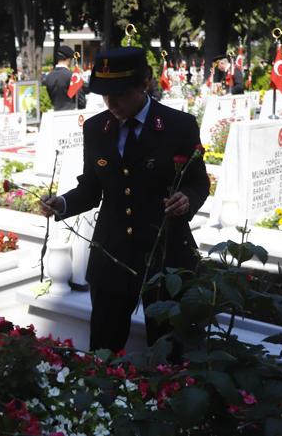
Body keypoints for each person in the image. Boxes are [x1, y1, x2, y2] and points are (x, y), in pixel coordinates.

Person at [39, 47, 209, 353]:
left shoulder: (178, 125)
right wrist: (61, 203)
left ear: (143, 83)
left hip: (166, 256)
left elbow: (199, 182)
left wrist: (187, 200)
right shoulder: (95, 129)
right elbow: (91, 189)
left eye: (119, 93)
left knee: (170, 352)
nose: (111, 102)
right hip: (112, 255)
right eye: (104, 94)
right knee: (104, 348)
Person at [42, 45, 86, 110]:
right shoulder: (72, 76)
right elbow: (81, 102)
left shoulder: (48, 77)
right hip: (71, 115)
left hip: (55, 115)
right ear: (69, 59)